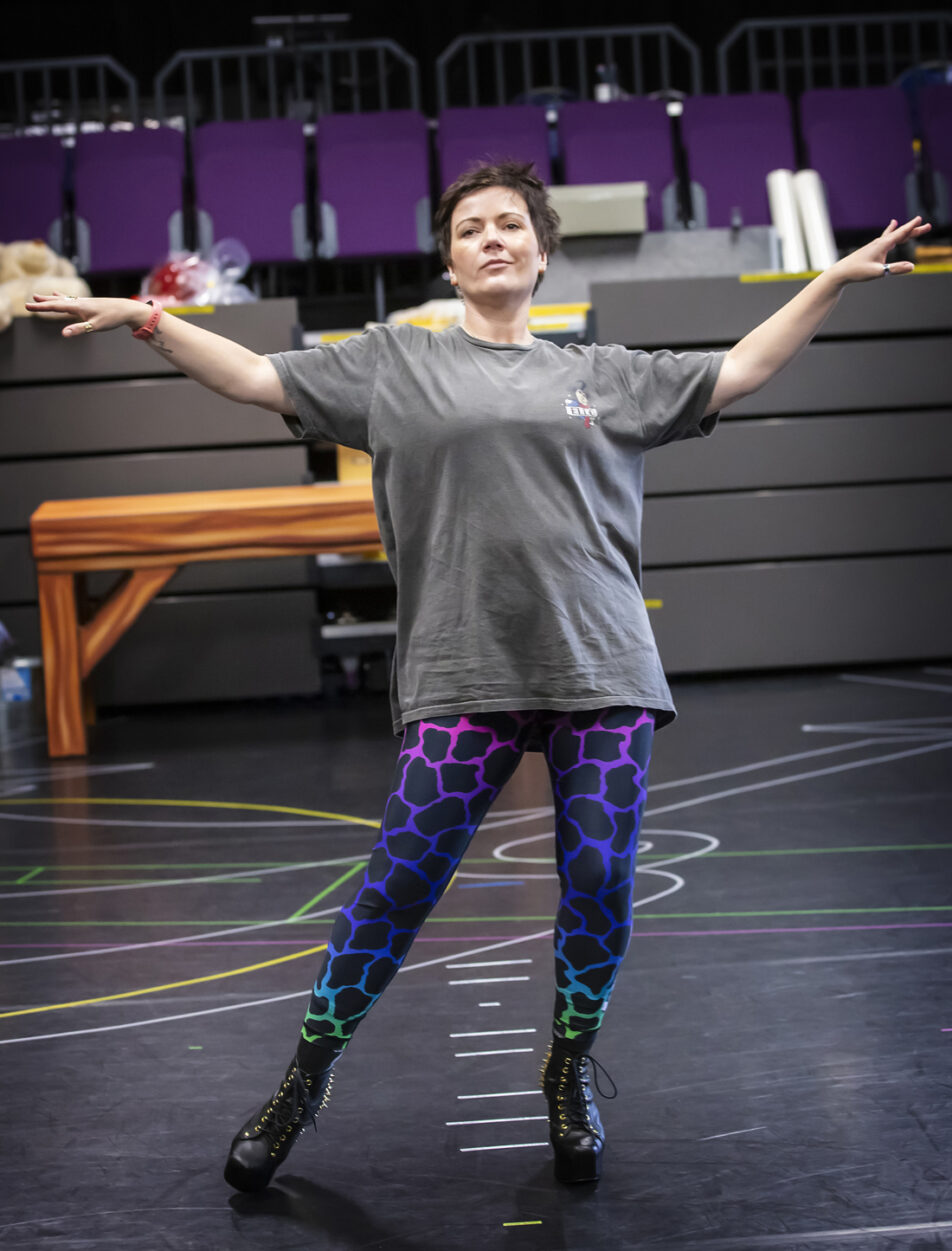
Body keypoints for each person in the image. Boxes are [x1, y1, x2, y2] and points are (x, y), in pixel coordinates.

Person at [26, 162, 930, 1192]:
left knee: (597, 877)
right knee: (396, 889)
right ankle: (301, 1083)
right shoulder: (391, 368)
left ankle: (566, 1068)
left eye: (511, 225)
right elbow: (253, 378)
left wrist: (827, 284)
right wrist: (150, 315)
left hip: (601, 669)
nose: (493, 238)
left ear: (541, 253)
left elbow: (738, 371)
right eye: (471, 228)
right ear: (450, 260)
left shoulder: (607, 372)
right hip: (464, 673)